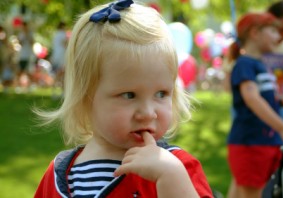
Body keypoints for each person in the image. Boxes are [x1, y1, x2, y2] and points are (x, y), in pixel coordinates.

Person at [34, 0, 213, 197]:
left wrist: (171, 179)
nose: (147, 112)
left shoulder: (176, 168)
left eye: (161, 94)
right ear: (86, 98)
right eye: (129, 95)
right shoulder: (59, 175)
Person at [226, 12, 283, 198]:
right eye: (273, 30)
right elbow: (252, 98)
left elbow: (262, 97)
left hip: (267, 142)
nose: (278, 36)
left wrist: (280, 100)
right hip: (251, 143)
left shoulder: (261, 65)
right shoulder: (245, 64)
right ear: (255, 33)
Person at [50, 21, 67, 97]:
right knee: (62, 73)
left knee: (57, 74)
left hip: (55, 55)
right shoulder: (62, 34)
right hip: (61, 55)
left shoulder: (55, 34)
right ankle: (62, 92)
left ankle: (54, 92)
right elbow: (65, 44)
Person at [17, 21, 34, 88]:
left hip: (29, 55)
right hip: (22, 55)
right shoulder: (21, 34)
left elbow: (32, 42)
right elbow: (20, 43)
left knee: (29, 71)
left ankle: (30, 85)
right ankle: (18, 85)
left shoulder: (30, 34)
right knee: (21, 70)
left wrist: (27, 35)